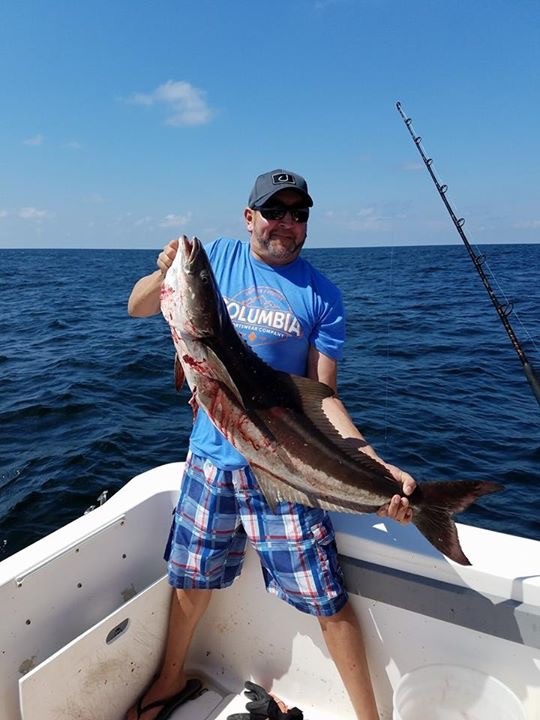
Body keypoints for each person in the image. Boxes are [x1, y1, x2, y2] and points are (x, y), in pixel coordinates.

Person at [126, 169, 416, 720]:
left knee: (327, 601)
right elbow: (141, 305)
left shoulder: (322, 296)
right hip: (212, 462)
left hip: (284, 471)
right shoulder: (217, 259)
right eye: (274, 211)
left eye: (298, 213)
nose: (285, 222)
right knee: (190, 581)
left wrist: (371, 462)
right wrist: (166, 269)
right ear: (249, 216)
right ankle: (168, 681)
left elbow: (323, 396)